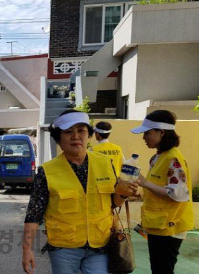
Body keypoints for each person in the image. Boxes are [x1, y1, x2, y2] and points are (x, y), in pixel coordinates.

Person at [21, 110, 137, 274]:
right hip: (64, 248)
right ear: (59, 138)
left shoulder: (105, 163)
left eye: (81, 130)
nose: (76, 136)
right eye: (68, 132)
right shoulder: (47, 171)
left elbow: (112, 204)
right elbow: (33, 213)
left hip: (100, 244)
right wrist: (27, 250)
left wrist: (123, 194)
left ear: (89, 135)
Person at [131, 110, 193, 274]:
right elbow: (158, 188)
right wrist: (141, 192)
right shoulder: (157, 157)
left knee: (162, 270)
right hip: (158, 224)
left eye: (147, 133)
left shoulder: (173, 159)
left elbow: (178, 194)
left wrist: (145, 183)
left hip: (169, 226)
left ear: (162, 132)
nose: (144, 137)